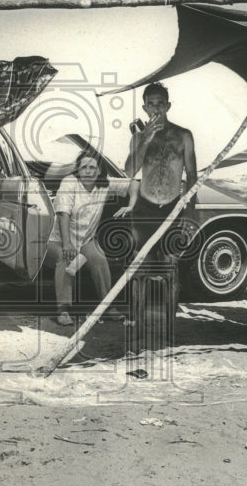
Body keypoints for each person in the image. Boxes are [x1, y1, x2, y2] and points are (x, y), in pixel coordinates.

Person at [114, 81, 197, 314]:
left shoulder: (184, 136)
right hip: (145, 208)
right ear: (144, 108)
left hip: (172, 208)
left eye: (160, 103)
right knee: (140, 266)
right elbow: (129, 171)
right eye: (150, 104)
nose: (155, 109)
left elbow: (192, 175)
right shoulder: (138, 138)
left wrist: (190, 214)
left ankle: (171, 321)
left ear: (168, 105)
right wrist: (146, 140)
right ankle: (136, 320)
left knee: (171, 265)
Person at [45, 148, 115, 326]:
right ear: (78, 170)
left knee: (99, 259)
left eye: (92, 167)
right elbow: (63, 214)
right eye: (84, 167)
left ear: (99, 170)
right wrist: (67, 244)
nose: (88, 171)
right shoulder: (69, 183)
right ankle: (63, 309)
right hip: (58, 239)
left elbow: (133, 184)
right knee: (65, 257)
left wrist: (130, 205)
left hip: (85, 240)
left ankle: (107, 306)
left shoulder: (104, 185)